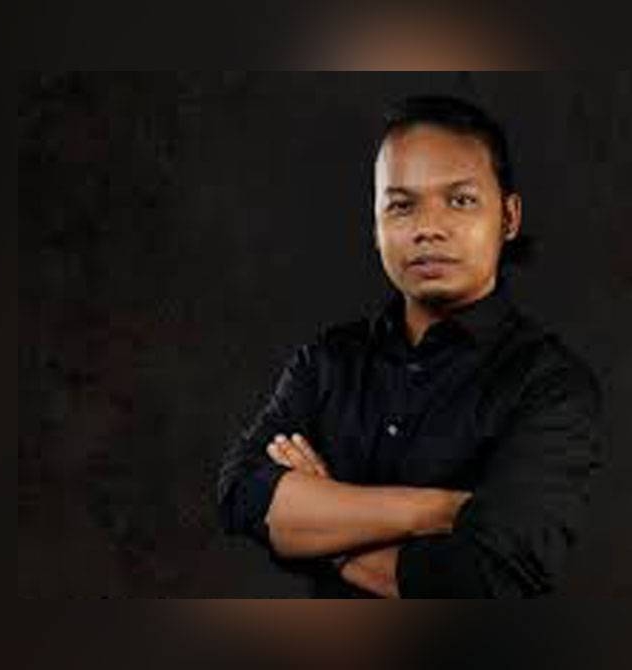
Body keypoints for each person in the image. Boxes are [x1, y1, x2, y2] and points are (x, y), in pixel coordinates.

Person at [217, 94, 603, 597]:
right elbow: (242, 494)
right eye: (401, 205)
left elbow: (490, 577)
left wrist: (325, 529)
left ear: (509, 217)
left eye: (460, 200)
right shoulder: (329, 361)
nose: (427, 229)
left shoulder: (550, 384)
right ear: (376, 225)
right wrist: (438, 510)